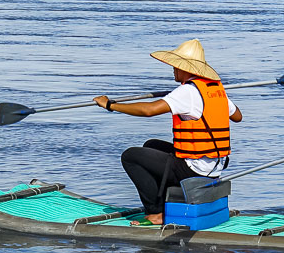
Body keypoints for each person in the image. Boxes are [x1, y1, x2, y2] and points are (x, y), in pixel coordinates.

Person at [93, 39, 242, 226]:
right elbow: (237, 116)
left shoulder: (187, 91)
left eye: (176, 65)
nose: (173, 68)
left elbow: (149, 110)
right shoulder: (215, 90)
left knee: (130, 156)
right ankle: (167, 203)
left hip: (194, 170)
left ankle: (155, 213)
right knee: (151, 145)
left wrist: (110, 105)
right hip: (213, 166)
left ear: (187, 69)